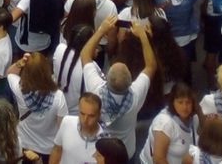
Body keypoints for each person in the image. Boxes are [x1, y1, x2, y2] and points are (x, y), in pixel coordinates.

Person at [80, 16, 155, 158]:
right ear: (131, 81)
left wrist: (102, 30)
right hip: (125, 153)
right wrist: (143, 36)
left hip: (99, 152)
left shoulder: (96, 91)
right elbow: (151, 66)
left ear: (106, 78)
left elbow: (85, 56)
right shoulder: (135, 96)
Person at [6, 51, 69, 159]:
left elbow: (10, 73)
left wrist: (20, 63)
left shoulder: (19, 89)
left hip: (23, 143)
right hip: (47, 149)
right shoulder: (58, 97)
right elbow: (62, 128)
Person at [141, 83, 199, 164]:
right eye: (180, 102)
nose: (185, 107)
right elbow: (158, 160)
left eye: (188, 102)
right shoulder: (164, 123)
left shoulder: (194, 119)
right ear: (172, 102)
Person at [49, 93, 104, 164]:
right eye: (82, 113)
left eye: (91, 116)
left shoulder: (104, 141)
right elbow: (57, 150)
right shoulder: (67, 122)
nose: (85, 120)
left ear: (99, 115)